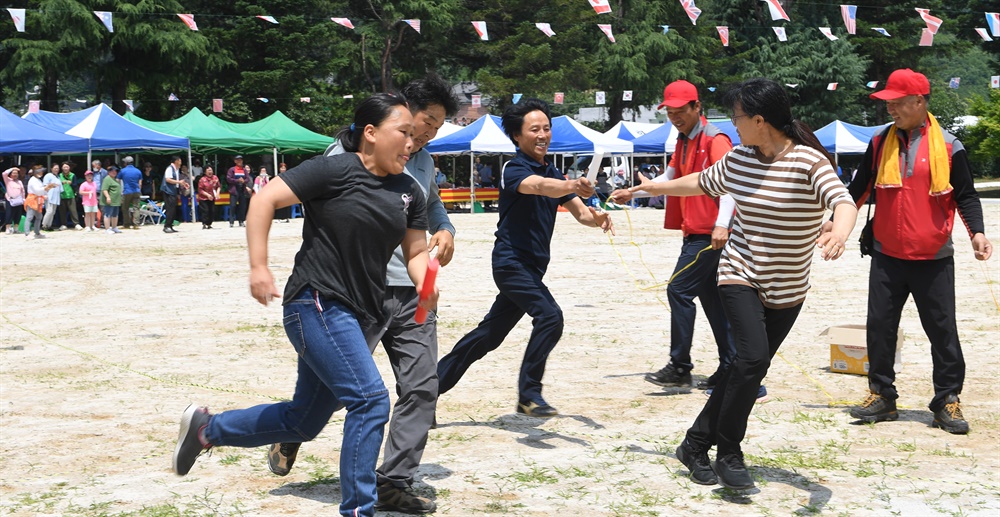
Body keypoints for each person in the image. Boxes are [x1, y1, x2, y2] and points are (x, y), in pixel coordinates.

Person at [172, 93, 436, 517]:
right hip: (315, 302)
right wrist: (259, 267)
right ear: (370, 134)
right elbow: (262, 201)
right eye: (403, 133)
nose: (412, 141)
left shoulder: (409, 190)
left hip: (361, 313)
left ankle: (208, 429)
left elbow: (416, 252)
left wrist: (426, 283)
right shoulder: (334, 170)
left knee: (303, 421)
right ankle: (358, 510)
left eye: (413, 135)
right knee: (370, 400)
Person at [630, 79, 857, 489]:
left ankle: (695, 444)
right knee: (750, 361)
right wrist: (651, 187)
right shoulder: (740, 160)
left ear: (759, 119)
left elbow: (843, 201)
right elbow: (700, 181)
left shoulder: (808, 162)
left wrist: (839, 233)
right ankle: (729, 453)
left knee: (745, 368)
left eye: (736, 117)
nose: (732, 125)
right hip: (740, 273)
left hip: (788, 289)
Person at [269, 74, 460, 514]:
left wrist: (445, 229)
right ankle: (293, 431)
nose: (430, 132)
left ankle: (393, 480)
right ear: (401, 110)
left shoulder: (425, 161)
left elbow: (429, 205)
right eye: (426, 121)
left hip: (412, 292)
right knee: (337, 392)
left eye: (437, 126)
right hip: (355, 293)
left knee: (421, 387)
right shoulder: (346, 154)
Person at [834, 69, 993, 435]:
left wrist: (977, 233)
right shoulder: (879, 143)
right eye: (887, 102)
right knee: (880, 328)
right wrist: (837, 221)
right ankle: (882, 395)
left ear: (919, 101)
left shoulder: (950, 146)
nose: (890, 108)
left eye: (896, 102)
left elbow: (965, 194)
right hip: (887, 254)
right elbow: (858, 189)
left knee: (942, 331)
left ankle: (947, 400)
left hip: (933, 256)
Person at [436, 98, 614, 418]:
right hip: (510, 263)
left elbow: (580, 213)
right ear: (518, 136)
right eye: (535, 129)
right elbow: (538, 186)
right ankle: (529, 395)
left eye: (547, 128)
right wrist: (569, 183)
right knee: (550, 316)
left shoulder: (553, 171)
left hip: (532, 268)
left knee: (487, 337)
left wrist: (596, 218)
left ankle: (425, 391)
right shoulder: (514, 167)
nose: (543, 134)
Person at [610, 80, 740, 396]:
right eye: (670, 112)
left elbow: (730, 184)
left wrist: (722, 225)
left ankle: (680, 367)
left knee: (678, 290)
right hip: (697, 231)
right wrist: (636, 190)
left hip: (710, 234)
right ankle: (730, 366)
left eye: (681, 111)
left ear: (697, 107)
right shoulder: (683, 140)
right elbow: (671, 177)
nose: (675, 117)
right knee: (712, 302)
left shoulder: (715, 139)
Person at [24, 166, 55, 238]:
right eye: (40, 171)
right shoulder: (32, 180)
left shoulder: (38, 180)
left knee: (39, 217)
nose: (41, 173)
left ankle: (37, 232)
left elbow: (42, 191)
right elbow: (37, 191)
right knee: (29, 217)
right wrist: (47, 187)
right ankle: (27, 233)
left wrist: (49, 187)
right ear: (35, 172)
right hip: (32, 200)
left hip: (38, 200)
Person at [118, 156, 143, 229]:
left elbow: (117, 180)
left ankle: (127, 224)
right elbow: (140, 183)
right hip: (136, 191)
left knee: (125, 208)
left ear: (125, 163)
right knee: (136, 208)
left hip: (127, 191)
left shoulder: (123, 171)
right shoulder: (138, 171)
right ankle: (136, 224)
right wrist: (139, 190)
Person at [227, 155, 251, 228]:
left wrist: (244, 181)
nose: (239, 161)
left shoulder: (244, 170)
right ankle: (231, 222)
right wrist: (237, 180)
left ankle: (241, 221)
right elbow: (228, 178)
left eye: (240, 160)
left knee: (242, 206)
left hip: (242, 189)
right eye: (237, 160)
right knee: (233, 206)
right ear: (235, 161)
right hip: (234, 189)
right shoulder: (232, 169)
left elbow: (247, 178)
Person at [161, 156, 183, 233]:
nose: (181, 163)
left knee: (173, 209)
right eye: (180, 161)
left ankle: (170, 225)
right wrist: (179, 182)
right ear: (176, 161)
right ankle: (167, 226)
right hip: (168, 191)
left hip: (173, 191)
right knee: (170, 209)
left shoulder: (176, 170)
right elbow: (168, 179)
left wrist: (180, 186)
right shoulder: (170, 168)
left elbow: (176, 182)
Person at [57, 162, 81, 230]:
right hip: (62, 195)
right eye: (64, 167)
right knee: (62, 211)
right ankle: (63, 224)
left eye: (67, 167)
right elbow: (57, 185)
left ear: (69, 168)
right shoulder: (59, 175)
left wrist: (71, 183)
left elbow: (75, 185)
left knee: (73, 210)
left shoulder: (73, 175)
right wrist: (61, 183)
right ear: (62, 168)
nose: (65, 168)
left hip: (71, 195)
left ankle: (76, 224)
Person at [3, 167, 26, 234]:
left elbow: (23, 191)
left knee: (18, 214)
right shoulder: (8, 180)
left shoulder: (19, 182)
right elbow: (4, 173)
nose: (15, 174)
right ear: (11, 174)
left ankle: (16, 228)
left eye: (16, 173)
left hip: (19, 200)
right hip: (10, 200)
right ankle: (7, 228)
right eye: (14, 173)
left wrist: (23, 199)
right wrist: (12, 168)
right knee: (9, 214)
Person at [101, 165, 123, 234]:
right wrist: (108, 197)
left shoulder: (115, 179)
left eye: (115, 171)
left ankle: (114, 227)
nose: (114, 172)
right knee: (108, 214)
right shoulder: (107, 179)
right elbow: (104, 189)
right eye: (112, 171)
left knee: (115, 214)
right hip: (110, 200)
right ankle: (107, 229)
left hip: (116, 201)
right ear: (109, 172)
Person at [41, 166, 62, 231]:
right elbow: (45, 185)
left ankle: (49, 225)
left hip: (56, 197)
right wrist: (45, 195)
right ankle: (44, 225)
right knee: (49, 211)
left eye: (57, 168)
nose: (56, 170)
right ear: (51, 169)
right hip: (49, 196)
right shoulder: (48, 175)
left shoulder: (58, 177)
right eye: (55, 168)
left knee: (53, 212)